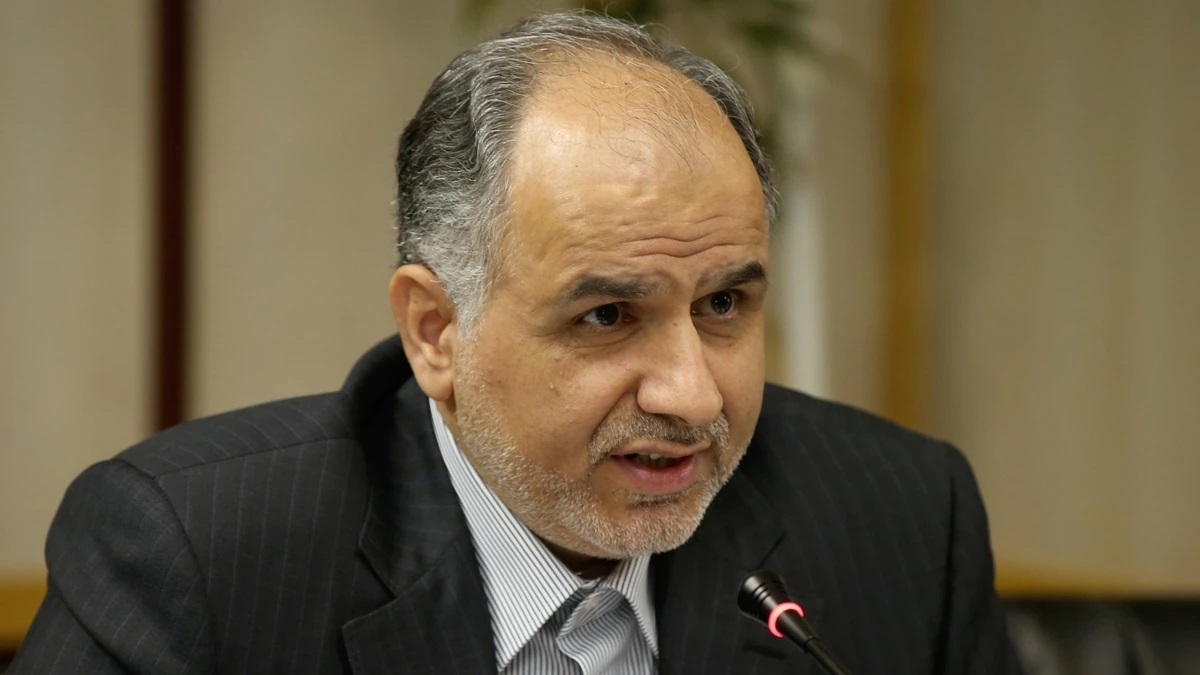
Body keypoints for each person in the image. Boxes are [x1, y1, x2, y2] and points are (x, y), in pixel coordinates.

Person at [11, 11, 1021, 674]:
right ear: (436, 331)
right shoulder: (194, 554)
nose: (692, 395)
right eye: (606, 316)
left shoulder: (901, 521)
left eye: (723, 304)